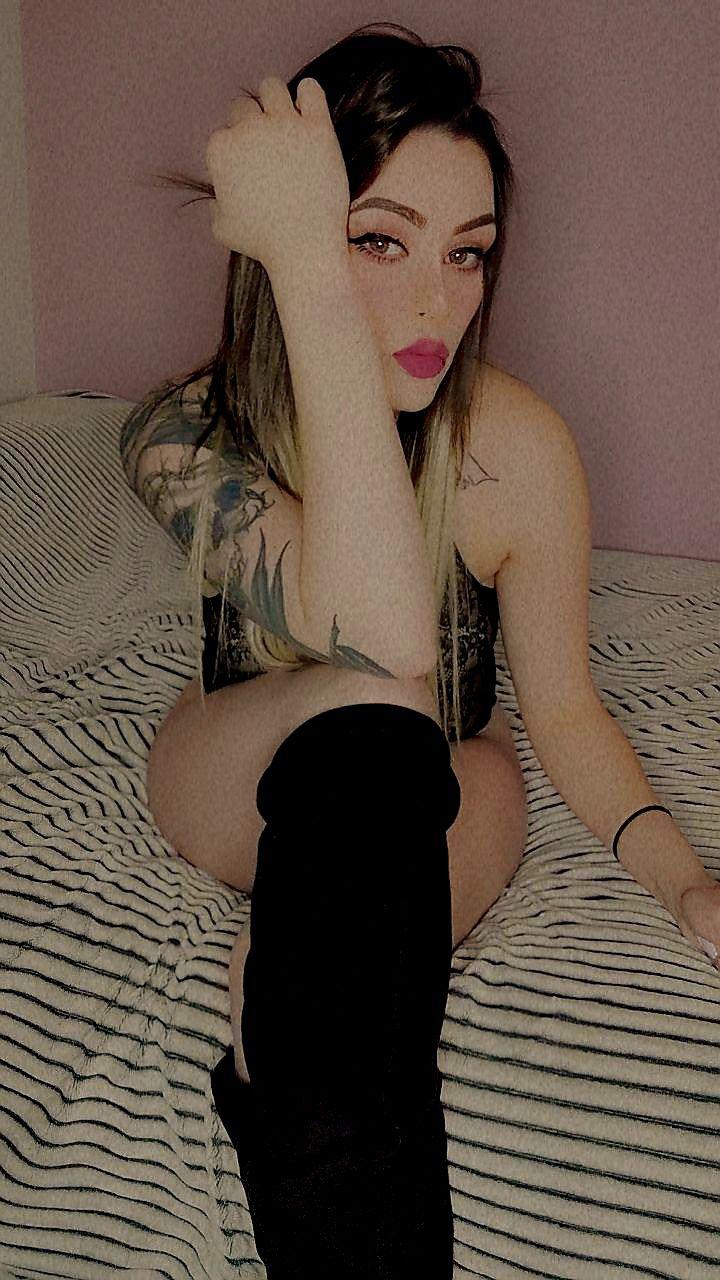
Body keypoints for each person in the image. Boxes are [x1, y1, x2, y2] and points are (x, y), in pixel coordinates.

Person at [119, 21, 521, 1277]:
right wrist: (302, 260)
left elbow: (562, 705)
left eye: (466, 252)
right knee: (372, 694)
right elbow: (384, 631)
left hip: (408, 800)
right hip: (238, 764)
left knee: (478, 767)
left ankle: (293, 1001)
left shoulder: (520, 443)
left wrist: (677, 874)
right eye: (378, 239)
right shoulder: (184, 433)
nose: (435, 300)